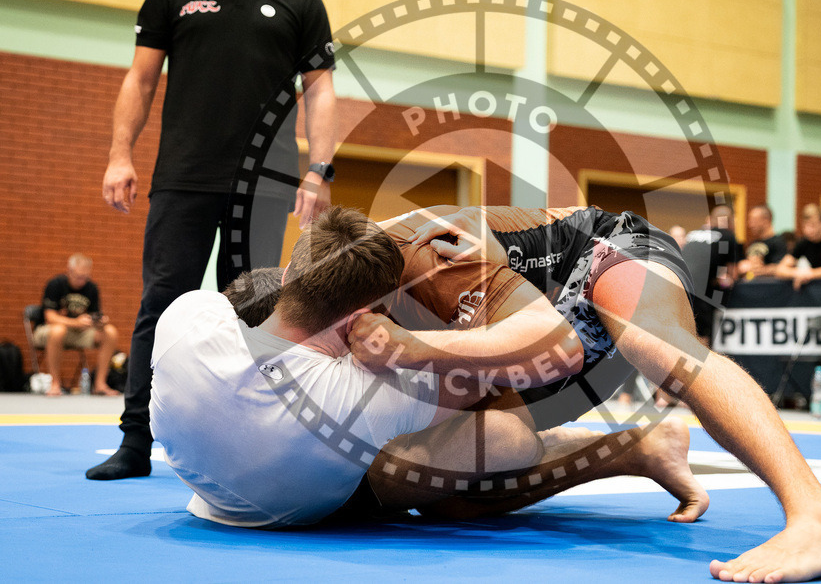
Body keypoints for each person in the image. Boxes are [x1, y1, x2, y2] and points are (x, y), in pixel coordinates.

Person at [386, 205, 821, 582]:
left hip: (603, 246)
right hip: (538, 319)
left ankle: (817, 519)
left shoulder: (422, 245)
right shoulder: (361, 294)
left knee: (657, 343)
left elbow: (504, 285)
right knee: (451, 489)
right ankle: (638, 449)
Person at [153, 207, 707, 527]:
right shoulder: (356, 397)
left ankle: (643, 449)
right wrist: (423, 336)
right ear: (362, 318)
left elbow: (261, 294)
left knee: (451, 481)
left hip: (224, 501)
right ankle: (634, 448)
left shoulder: (186, 321)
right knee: (506, 437)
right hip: (331, 500)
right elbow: (521, 366)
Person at [90, 0, 338, 481]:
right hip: (183, 175)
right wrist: (119, 155)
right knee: (161, 301)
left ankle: (245, 442)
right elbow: (141, 77)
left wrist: (318, 170)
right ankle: (135, 441)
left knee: (252, 310)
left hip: (266, 182)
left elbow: (321, 91)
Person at [34, 254, 120, 397]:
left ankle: (100, 384)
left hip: (77, 332)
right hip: (47, 331)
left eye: (85, 277)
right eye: (79, 277)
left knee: (110, 332)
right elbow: (50, 317)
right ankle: (55, 384)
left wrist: (99, 322)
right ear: (69, 271)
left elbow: (94, 314)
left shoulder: (91, 287)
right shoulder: (55, 284)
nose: (82, 281)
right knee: (58, 331)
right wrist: (76, 322)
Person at [681, 205, 743, 341]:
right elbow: (733, 275)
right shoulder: (728, 235)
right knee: (702, 338)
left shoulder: (693, 234)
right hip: (698, 291)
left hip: (676, 284)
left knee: (685, 334)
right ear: (730, 221)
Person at [775, 204, 821, 290]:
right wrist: (798, 273)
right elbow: (780, 270)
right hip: (819, 288)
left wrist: (810, 274)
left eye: (813, 225)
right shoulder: (803, 242)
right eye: (805, 226)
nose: (809, 230)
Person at [737, 204, 786, 280]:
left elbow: (782, 268)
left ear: (766, 221)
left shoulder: (779, 242)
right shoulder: (752, 243)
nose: (750, 224)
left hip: (767, 288)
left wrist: (759, 269)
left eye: (753, 220)